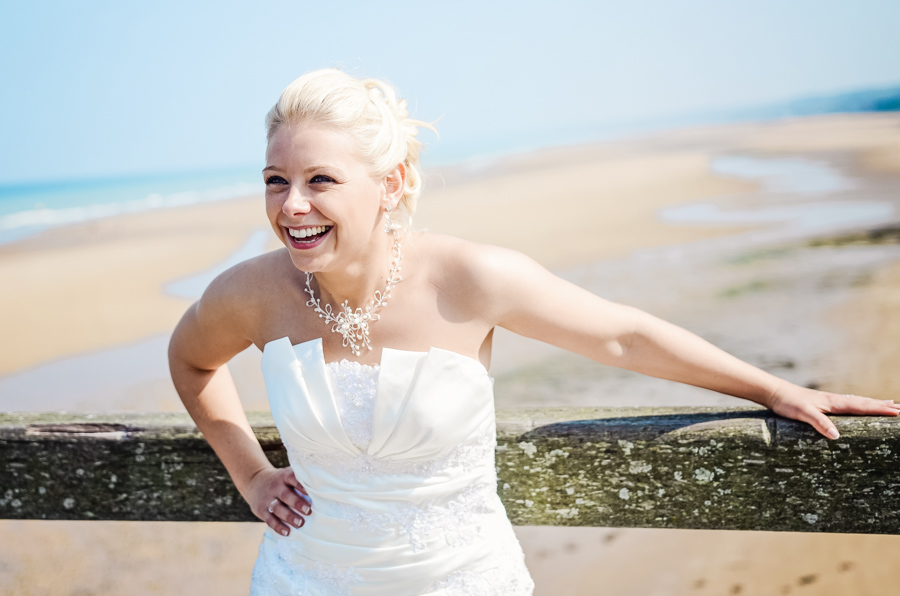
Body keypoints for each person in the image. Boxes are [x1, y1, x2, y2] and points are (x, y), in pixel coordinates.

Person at [168, 69, 899, 595]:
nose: (292, 206)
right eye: (274, 180)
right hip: (305, 582)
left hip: (461, 581)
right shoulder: (253, 292)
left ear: (389, 184)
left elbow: (622, 337)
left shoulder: (470, 276)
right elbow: (191, 362)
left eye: (320, 180)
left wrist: (774, 389)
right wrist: (252, 474)